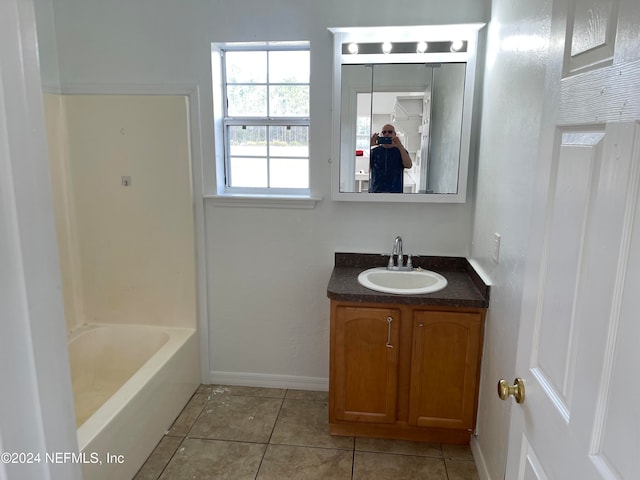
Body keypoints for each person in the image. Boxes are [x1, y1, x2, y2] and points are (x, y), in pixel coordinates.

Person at [368, 124, 412, 193]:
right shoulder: (374, 151)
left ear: (395, 134)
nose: (387, 134)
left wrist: (399, 145)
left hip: (395, 193)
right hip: (376, 191)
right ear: (381, 135)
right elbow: (367, 169)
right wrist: (370, 146)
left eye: (390, 132)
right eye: (384, 132)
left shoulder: (400, 151)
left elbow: (408, 165)